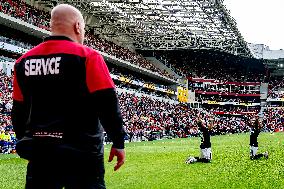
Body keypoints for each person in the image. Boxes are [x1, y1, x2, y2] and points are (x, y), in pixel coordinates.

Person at [12, 4, 126, 189]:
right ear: (78, 26)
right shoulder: (88, 57)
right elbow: (107, 104)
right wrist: (118, 141)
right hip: (83, 153)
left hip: (41, 152)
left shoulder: (23, 62)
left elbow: (19, 111)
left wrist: (23, 140)